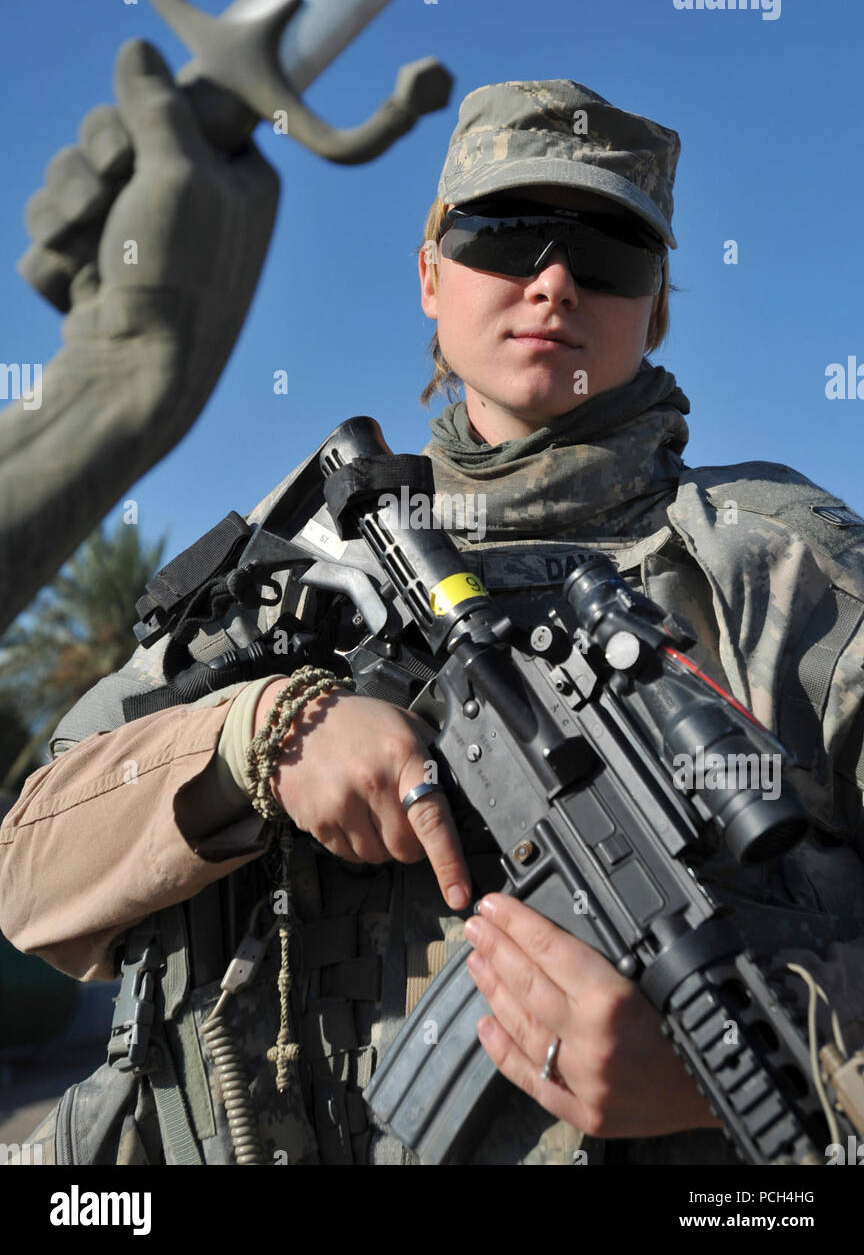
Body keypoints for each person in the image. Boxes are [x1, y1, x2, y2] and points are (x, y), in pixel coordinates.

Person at [2, 66, 864, 1167]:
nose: (553, 282)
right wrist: (259, 734)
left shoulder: (787, 573)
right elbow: (26, 874)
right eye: (505, 235)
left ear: (654, 305)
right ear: (428, 274)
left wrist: (769, 1052)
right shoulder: (296, 564)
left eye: (608, 251)